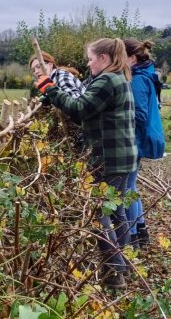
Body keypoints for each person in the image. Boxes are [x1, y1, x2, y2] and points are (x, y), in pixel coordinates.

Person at [35, 38, 138, 289]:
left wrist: (49, 88)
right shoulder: (117, 78)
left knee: (98, 213)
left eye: (91, 58)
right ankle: (121, 266)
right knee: (116, 211)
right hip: (122, 155)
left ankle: (115, 273)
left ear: (104, 58)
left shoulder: (106, 80)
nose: (88, 63)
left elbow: (79, 109)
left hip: (109, 157)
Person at [123, 38, 165, 248]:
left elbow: (139, 114)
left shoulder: (138, 79)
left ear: (132, 57)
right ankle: (140, 230)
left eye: (121, 57)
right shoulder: (145, 73)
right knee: (131, 186)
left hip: (136, 139)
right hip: (139, 138)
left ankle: (131, 236)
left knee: (127, 188)